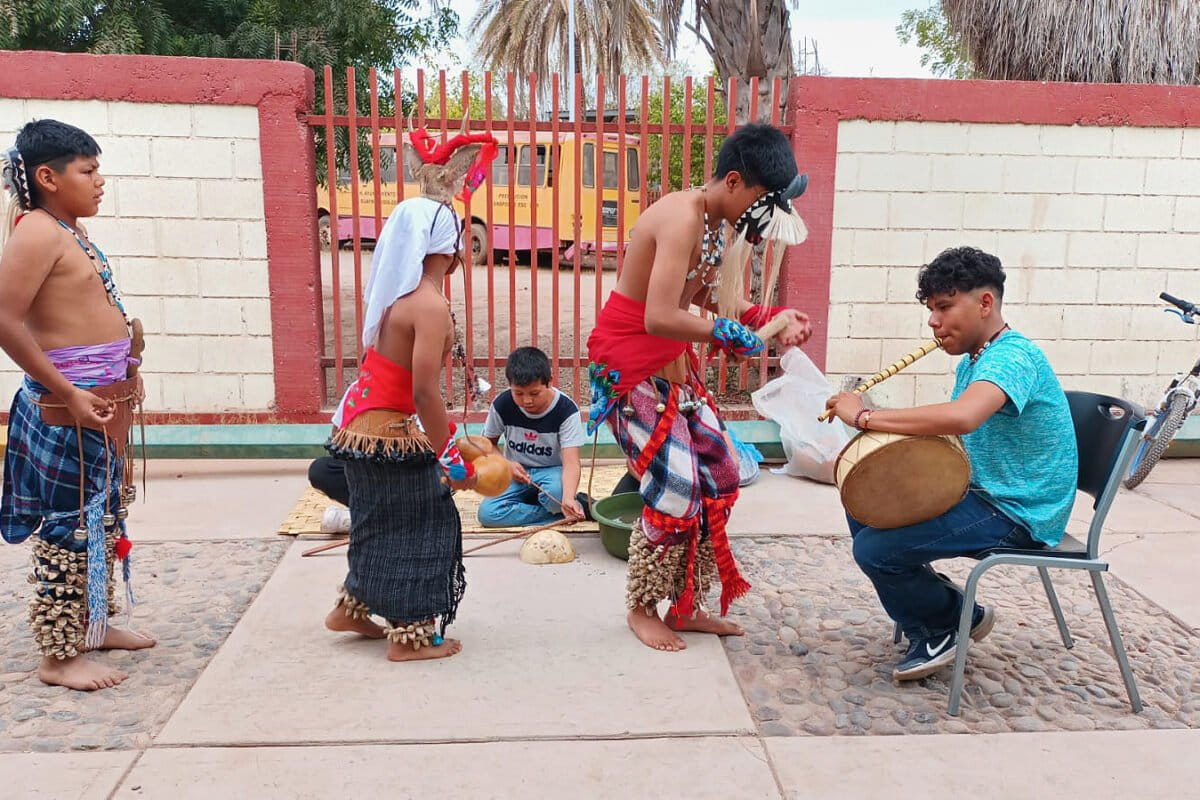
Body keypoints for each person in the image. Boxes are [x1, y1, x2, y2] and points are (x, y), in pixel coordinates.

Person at [586, 123, 813, 651]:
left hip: (671, 369)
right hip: (630, 368)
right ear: (734, 181)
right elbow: (660, 315)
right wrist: (728, 331)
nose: (758, 218)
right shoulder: (682, 217)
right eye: (758, 199)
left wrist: (767, 316)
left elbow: (708, 301)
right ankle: (642, 607)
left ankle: (685, 603)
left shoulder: (715, 223)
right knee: (678, 488)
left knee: (721, 472)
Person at [824, 246, 1078, 681]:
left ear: (985, 303)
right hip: (985, 493)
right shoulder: (977, 358)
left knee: (875, 550)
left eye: (944, 306)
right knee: (866, 501)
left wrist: (865, 417)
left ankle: (943, 624)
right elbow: (953, 420)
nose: (933, 321)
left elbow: (963, 416)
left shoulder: (1012, 357)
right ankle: (958, 612)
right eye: (931, 309)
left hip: (1019, 511)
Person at [322, 124, 498, 662]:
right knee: (425, 521)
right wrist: (449, 455)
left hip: (359, 424)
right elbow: (424, 393)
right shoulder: (430, 305)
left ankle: (352, 608)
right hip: (387, 429)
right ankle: (412, 634)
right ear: (448, 245)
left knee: (377, 518)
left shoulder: (401, 297)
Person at [0, 120, 153, 691]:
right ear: (48, 177)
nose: (100, 182)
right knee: (69, 528)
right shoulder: (37, 232)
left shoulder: (69, 230)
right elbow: (5, 320)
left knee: (103, 519)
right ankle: (58, 657)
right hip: (68, 412)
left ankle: (93, 625)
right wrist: (67, 391)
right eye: (87, 171)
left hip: (103, 408)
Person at [477, 346, 588, 527]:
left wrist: (567, 497)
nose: (527, 401)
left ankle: (557, 506)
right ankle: (556, 516)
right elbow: (486, 444)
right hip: (515, 472)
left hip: (552, 472)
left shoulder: (566, 410)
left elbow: (571, 463)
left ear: (549, 382)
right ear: (510, 385)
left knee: (557, 497)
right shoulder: (502, 403)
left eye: (534, 393)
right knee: (488, 514)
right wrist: (506, 465)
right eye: (518, 393)